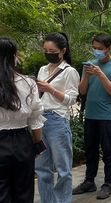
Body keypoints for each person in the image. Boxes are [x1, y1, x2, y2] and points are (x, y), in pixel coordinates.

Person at [73, 34, 111, 200]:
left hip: (107, 116)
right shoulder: (89, 65)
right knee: (90, 150)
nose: (96, 52)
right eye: (94, 48)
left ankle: (107, 184)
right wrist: (87, 75)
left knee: (108, 151)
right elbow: (82, 91)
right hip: (90, 115)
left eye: (100, 49)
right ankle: (89, 181)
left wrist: (100, 74)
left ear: (108, 48)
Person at [35, 32, 80, 203]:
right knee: (41, 169)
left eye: (52, 50)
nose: (48, 53)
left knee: (63, 169)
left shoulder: (70, 71)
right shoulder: (42, 69)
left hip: (57, 120)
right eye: (46, 50)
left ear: (62, 51)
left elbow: (71, 99)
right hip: (39, 120)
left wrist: (51, 89)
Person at [0, 37, 45, 202]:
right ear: (14, 57)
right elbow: (36, 118)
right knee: (24, 192)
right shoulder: (28, 83)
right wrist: (37, 143)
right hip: (22, 142)